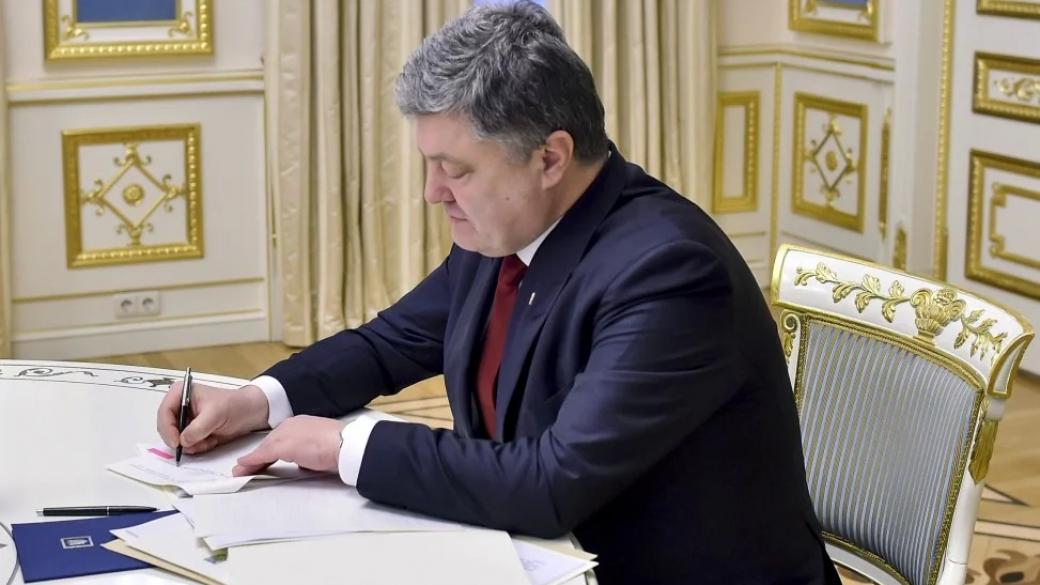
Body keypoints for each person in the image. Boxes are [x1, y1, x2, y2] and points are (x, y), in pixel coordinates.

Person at [158, 3, 840, 583]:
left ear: (550, 157)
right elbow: (391, 342)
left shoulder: (669, 272)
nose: (433, 193)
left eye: (454, 169)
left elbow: (550, 482)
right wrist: (257, 400)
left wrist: (346, 446)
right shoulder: (509, 228)